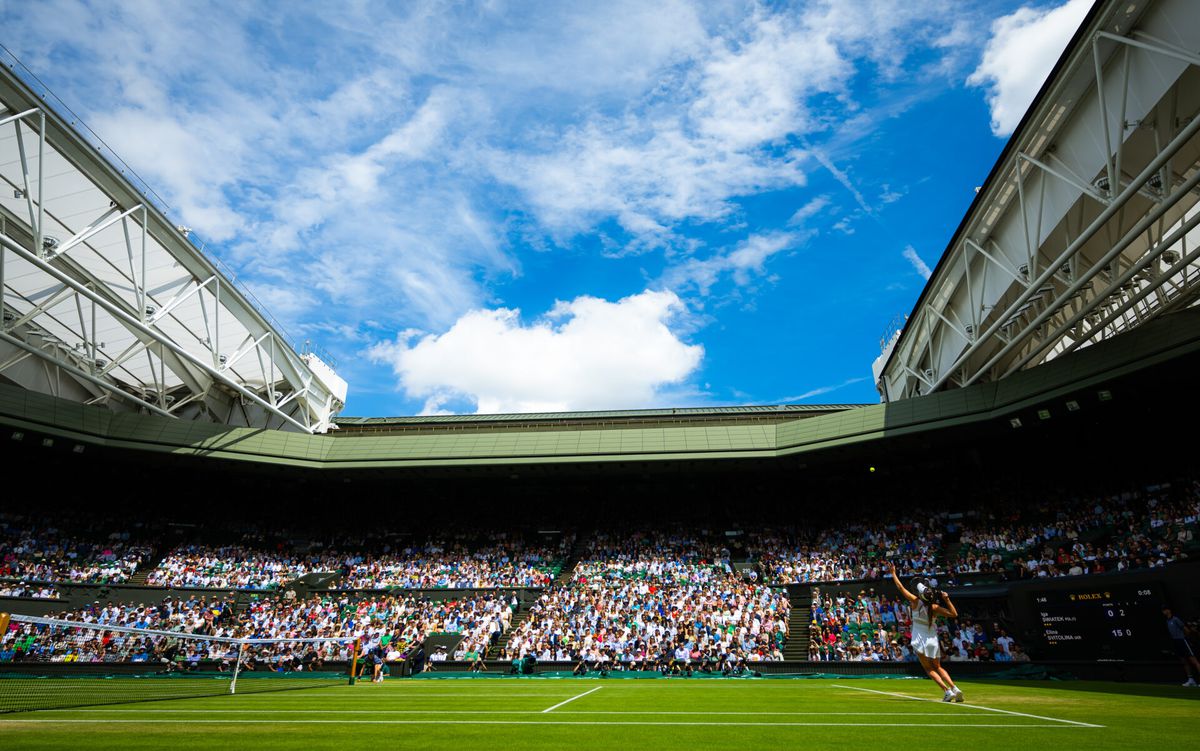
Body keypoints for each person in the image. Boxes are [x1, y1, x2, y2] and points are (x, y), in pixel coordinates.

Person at [888, 561, 963, 702]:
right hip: (932, 639)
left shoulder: (915, 601)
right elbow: (954, 614)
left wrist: (893, 573)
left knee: (929, 669)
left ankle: (947, 691)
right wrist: (947, 600)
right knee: (938, 666)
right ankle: (955, 688)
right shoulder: (935, 607)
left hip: (920, 639)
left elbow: (900, 587)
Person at [1163, 607, 1199, 687]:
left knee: (1194, 660)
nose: (1164, 612)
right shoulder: (1167, 621)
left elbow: (1186, 630)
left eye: (1165, 610)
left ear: (1169, 610)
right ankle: (1191, 680)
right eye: (1163, 610)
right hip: (1176, 642)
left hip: (1182, 641)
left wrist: (1185, 638)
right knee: (1184, 662)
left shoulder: (1176, 619)